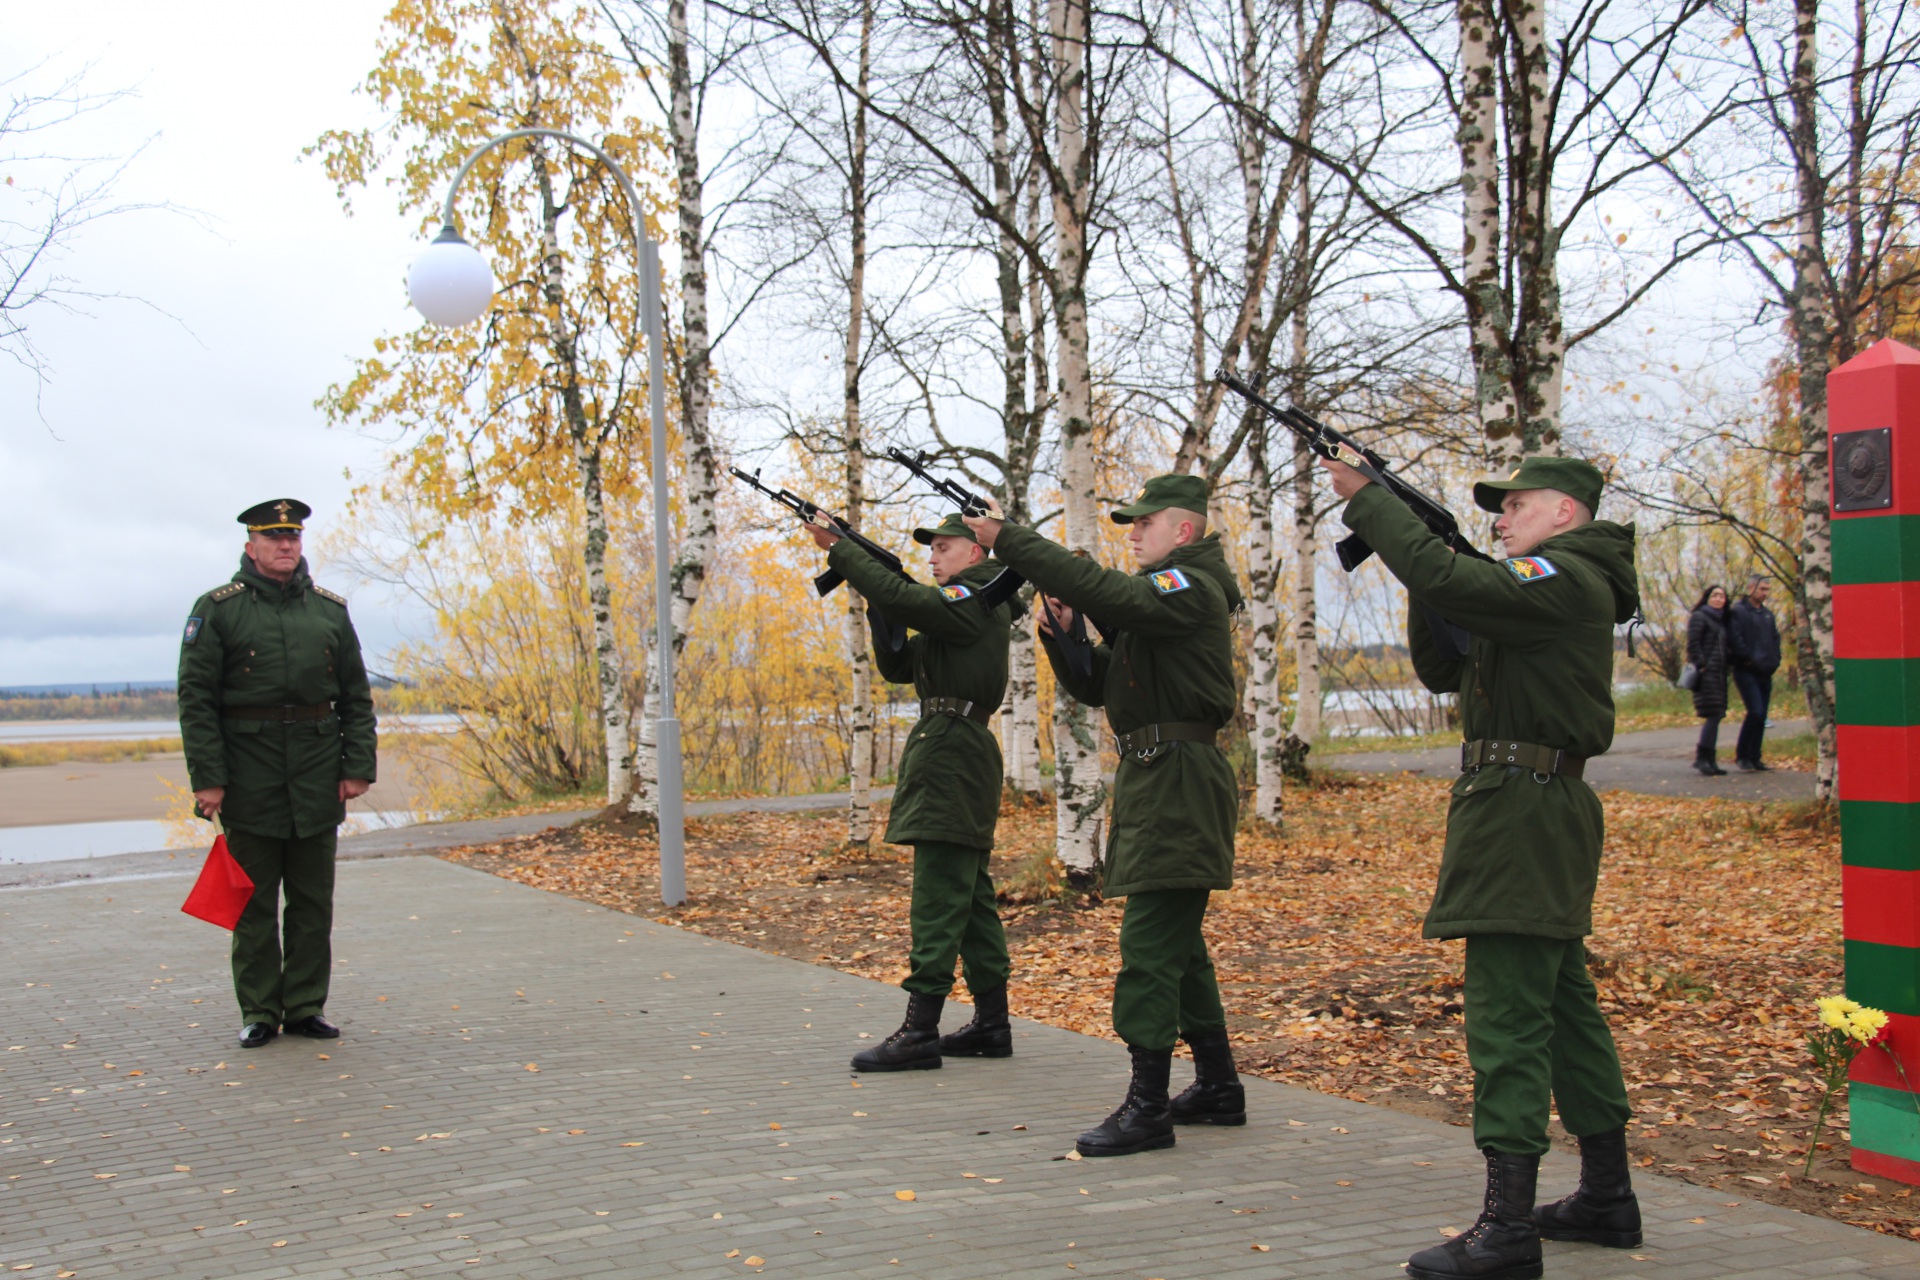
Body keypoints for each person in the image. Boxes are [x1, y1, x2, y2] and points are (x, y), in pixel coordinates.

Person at [1318, 454, 1642, 1279]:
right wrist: (1431, 565)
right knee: (1563, 1009)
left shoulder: (1564, 576)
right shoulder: (1540, 591)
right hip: (1522, 806)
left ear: (1565, 512)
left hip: (1523, 812)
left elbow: (1467, 588)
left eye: (1517, 505)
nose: (1503, 519)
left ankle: (1506, 1228)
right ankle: (1605, 1196)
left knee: (1506, 1021)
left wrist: (1377, 508)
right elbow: (1444, 667)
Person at [965, 474, 1245, 1158]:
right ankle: (1217, 1085)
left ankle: (1147, 1106)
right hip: (1157, 776)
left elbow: (1112, 595)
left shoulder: (1189, 587)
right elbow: (1101, 683)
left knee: (1150, 947)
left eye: (1145, 523)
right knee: (1179, 945)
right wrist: (1065, 635)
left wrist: (1011, 542)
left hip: (1179, 778)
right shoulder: (1162, 605)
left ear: (1184, 530)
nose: (1133, 530)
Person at [804, 512, 1017, 1072]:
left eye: (944, 547)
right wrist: (881, 601)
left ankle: (920, 1030)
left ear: (975, 554)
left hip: (953, 755)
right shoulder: (961, 614)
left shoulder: (976, 599)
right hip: (950, 749)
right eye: (931, 549)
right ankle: (992, 1023)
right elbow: (901, 663)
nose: (933, 556)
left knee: (939, 896)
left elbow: (917, 604)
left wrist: (845, 555)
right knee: (968, 900)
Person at [177, 500, 377, 1049]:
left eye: (292, 536)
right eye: (273, 538)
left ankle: (306, 1007)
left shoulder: (328, 612)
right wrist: (208, 779)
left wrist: (356, 766)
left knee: (313, 903)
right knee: (254, 902)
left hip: (316, 771)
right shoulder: (218, 611)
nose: (286, 546)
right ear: (251, 546)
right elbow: (196, 700)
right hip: (249, 775)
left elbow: (356, 698)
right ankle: (261, 1010)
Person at [1726, 575, 1780, 771]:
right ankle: (1742, 755)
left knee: (1762, 714)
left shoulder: (1767, 615)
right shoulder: (1738, 612)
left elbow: (1775, 639)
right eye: (1762, 589)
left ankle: (1755, 757)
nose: (1765, 593)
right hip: (1746, 670)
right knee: (1755, 711)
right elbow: (1735, 639)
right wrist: (1747, 659)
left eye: (1767, 589)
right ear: (1750, 588)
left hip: (1766, 670)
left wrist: (1775, 660)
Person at [1686, 585, 1730, 777]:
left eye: (1722, 596)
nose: (1719, 599)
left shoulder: (1722, 621)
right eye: (1715, 595)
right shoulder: (1700, 616)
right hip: (1706, 673)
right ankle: (1703, 758)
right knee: (1713, 713)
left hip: (1719, 673)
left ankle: (1709, 759)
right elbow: (1693, 642)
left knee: (1718, 714)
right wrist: (1702, 664)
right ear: (1707, 598)